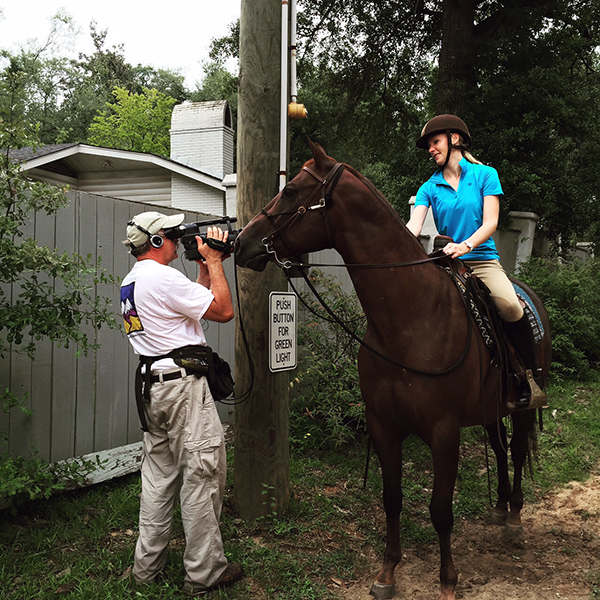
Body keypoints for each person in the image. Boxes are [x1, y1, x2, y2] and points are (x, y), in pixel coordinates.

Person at [120, 211, 243, 596]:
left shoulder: (131, 282)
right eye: (171, 235)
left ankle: (145, 569)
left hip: (152, 388)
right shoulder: (164, 278)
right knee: (201, 474)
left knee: (157, 480)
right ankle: (205, 574)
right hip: (182, 391)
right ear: (156, 242)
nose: (176, 239)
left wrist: (202, 269)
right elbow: (222, 311)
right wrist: (216, 262)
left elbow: (196, 303)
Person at [406, 114, 543, 409]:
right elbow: (413, 228)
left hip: (480, 260)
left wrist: (466, 245)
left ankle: (526, 379)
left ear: (454, 139)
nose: (430, 149)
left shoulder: (485, 175)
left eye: (435, 142)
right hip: (446, 266)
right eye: (429, 145)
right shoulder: (428, 188)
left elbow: (491, 222)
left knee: (508, 305)